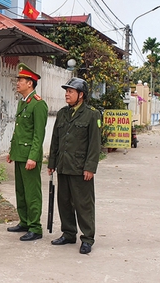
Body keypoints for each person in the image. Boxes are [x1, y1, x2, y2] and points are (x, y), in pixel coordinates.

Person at [47, 77, 101, 254]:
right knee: (64, 202)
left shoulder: (91, 114)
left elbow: (94, 143)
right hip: (63, 165)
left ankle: (87, 238)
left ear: (81, 95)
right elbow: (55, 139)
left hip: (80, 168)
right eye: (66, 91)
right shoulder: (62, 113)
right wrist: (52, 162)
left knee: (83, 204)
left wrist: (90, 167)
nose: (66, 94)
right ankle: (68, 233)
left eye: (70, 91)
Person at [6, 63, 48, 241]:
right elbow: (19, 130)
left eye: (21, 80)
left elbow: (39, 134)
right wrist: (11, 151)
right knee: (21, 190)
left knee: (32, 192)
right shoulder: (23, 103)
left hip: (30, 156)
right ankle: (24, 221)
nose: (17, 83)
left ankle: (35, 227)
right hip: (19, 153)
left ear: (30, 83)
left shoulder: (38, 105)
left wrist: (33, 157)